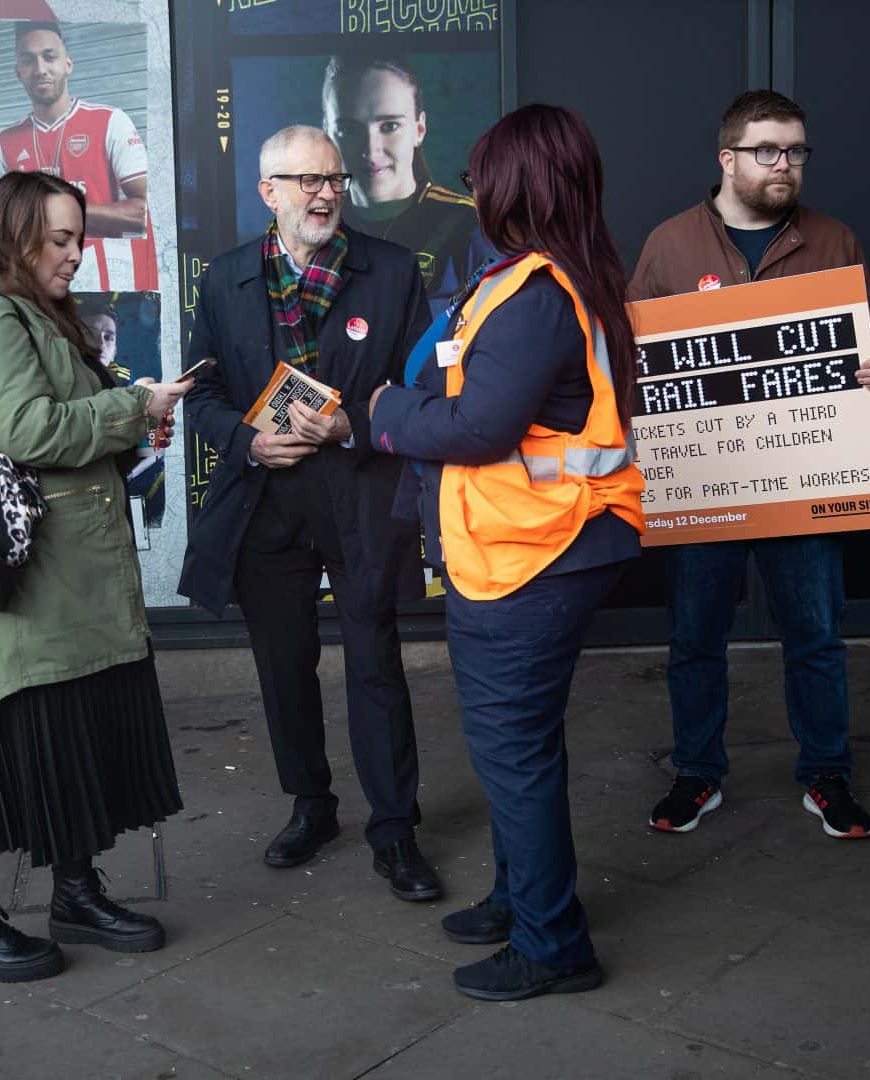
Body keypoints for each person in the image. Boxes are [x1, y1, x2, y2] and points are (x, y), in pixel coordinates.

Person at [369, 104, 644, 1001]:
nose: (475, 189)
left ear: (517, 185)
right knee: (520, 749)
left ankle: (553, 943)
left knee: (512, 751)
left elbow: (479, 426)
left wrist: (383, 415)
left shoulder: (533, 296)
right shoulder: (568, 277)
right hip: (555, 543)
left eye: (486, 174)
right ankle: (525, 898)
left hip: (533, 553)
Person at [0, 170, 190, 982]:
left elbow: (58, 423)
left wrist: (131, 408)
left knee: (78, 731)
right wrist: (130, 412)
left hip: (69, 581)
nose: (77, 255)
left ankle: (75, 892)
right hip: (28, 585)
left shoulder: (38, 313)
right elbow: (28, 430)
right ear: (12, 237)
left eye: (81, 237)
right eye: (61, 239)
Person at [180, 125, 442, 904]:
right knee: (283, 666)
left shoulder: (393, 271)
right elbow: (204, 396)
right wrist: (246, 442)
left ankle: (395, 831)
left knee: (376, 664)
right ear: (269, 192)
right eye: (307, 181)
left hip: (363, 497)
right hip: (268, 504)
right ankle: (312, 807)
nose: (326, 193)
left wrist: (353, 426)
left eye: (334, 179)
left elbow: (419, 390)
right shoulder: (225, 279)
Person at [629, 90, 870, 840]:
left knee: (814, 631)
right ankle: (696, 772)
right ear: (727, 158)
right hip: (707, 480)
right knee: (695, 636)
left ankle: (827, 774)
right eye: (768, 151)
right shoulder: (669, 244)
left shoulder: (834, 239)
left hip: (805, 476)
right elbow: (634, 356)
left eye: (797, 151)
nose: (786, 165)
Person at [0, 19, 156, 291]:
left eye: (49, 57)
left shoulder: (110, 121)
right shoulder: (4, 142)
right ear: (18, 72)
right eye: (29, 60)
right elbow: (0, 228)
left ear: (67, 63)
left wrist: (60, 215)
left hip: (104, 282)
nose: (40, 69)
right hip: (37, 287)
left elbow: (145, 210)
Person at [321, 52, 491, 303]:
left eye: (389, 126)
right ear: (327, 134)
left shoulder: (467, 225)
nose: (371, 149)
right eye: (348, 129)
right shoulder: (315, 226)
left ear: (419, 130)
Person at [78, 297, 167, 527]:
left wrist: (154, 431)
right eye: (90, 332)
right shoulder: (63, 383)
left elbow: (153, 450)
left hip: (117, 504)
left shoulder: (131, 386)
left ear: (116, 346)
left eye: (109, 337)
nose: (100, 343)